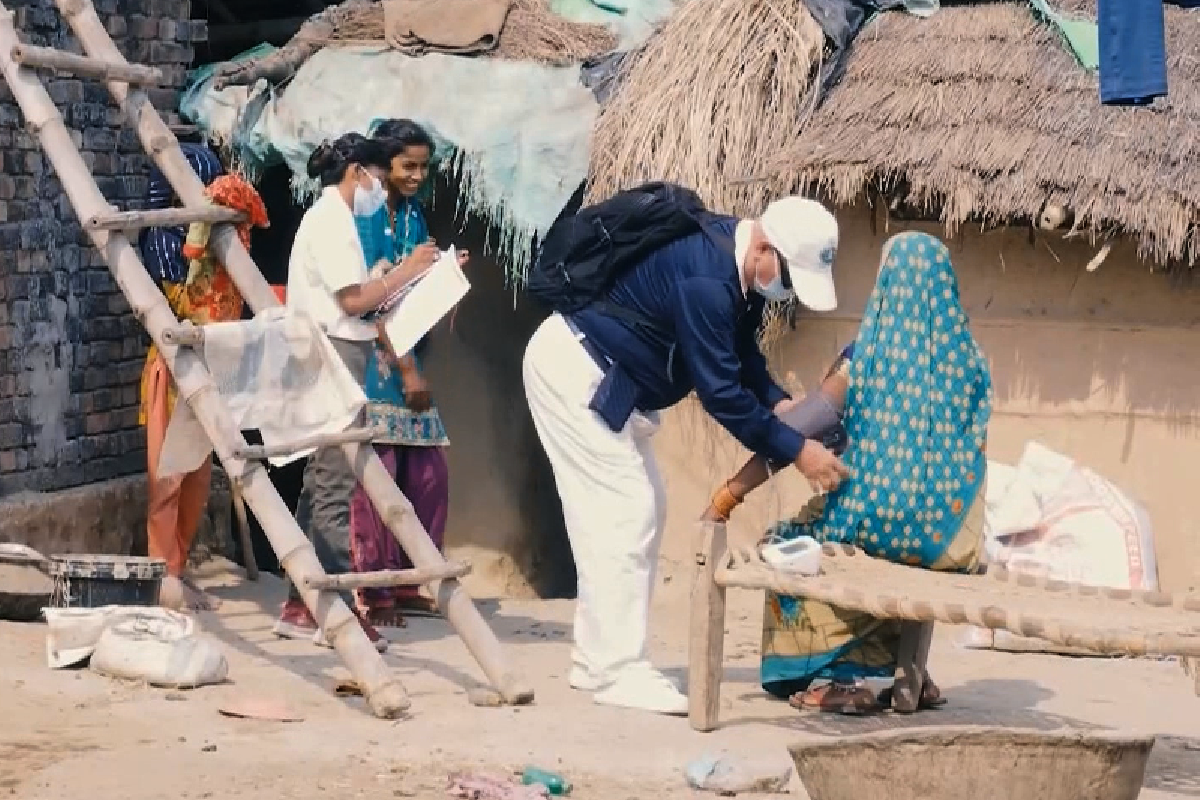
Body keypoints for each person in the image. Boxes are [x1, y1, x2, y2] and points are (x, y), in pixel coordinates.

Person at [523, 193, 847, 715]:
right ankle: (615, 670)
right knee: (626, 512)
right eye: (787, 276)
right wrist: (796, 450)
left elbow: (742, 357)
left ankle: (597, 659)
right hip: (574, 369)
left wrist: (778, 402)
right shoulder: (708, 281)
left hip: (609, 383)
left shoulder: (739, 273)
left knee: (640, 506)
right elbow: (720, 393)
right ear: (765, 245)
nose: (786, 290)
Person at [702, 230, 993, 714]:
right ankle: (911, 675)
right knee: (907, 543)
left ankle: (822, 680)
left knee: (796, 539)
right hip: (950, 540)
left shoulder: (868, 356)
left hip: (877, 526)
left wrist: (730, 494)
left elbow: (801, 427)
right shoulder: (971, 363)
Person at [274, 133, 437, 650]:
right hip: (334, 353)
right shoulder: (333, 221)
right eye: (378, 177)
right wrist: (407, 272)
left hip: (341, 350)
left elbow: (364, 298)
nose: (379, 188)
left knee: (320, 480)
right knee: (335, 486)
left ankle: (302, 603)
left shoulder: (334, 219)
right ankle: (335, 607)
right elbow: (352, 301)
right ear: (358, 174)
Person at [345, 118, 467, 627]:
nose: (417, 176)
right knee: (379, 476)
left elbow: (415, 293)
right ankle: (373, 589)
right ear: (385, 166)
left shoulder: (414, 217)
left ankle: (409, 578)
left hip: (409, 357)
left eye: (423, 167)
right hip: (376, 361)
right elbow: (372, 296)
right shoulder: (367, 216)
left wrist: (446, 275)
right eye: (407, 166)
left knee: (429, 476)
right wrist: (408, 370)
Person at [139, 144, 270, 612]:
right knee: (169, 475)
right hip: (175, 371)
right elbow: (174, 293)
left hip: (213, 368)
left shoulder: (229, 242)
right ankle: (163, 571)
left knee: (196, 474)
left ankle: (178, 564)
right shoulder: (165, 247)